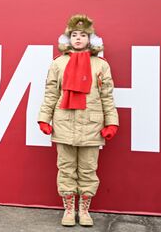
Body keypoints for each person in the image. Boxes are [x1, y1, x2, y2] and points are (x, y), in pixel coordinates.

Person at [38, 14, 118, 227]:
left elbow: (107, 96)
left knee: (88, 169)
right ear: (68, 38)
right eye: (74, 35)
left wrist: (111, 122)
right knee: (65, 168)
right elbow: (50, 93)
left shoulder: (101, 65)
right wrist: (44, 118)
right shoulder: (59, 63)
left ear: (90, 39)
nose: (78, 38)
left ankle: (84, 210)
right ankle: (68, 209)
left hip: (92, 126)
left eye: (83, 35)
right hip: (64, 123)